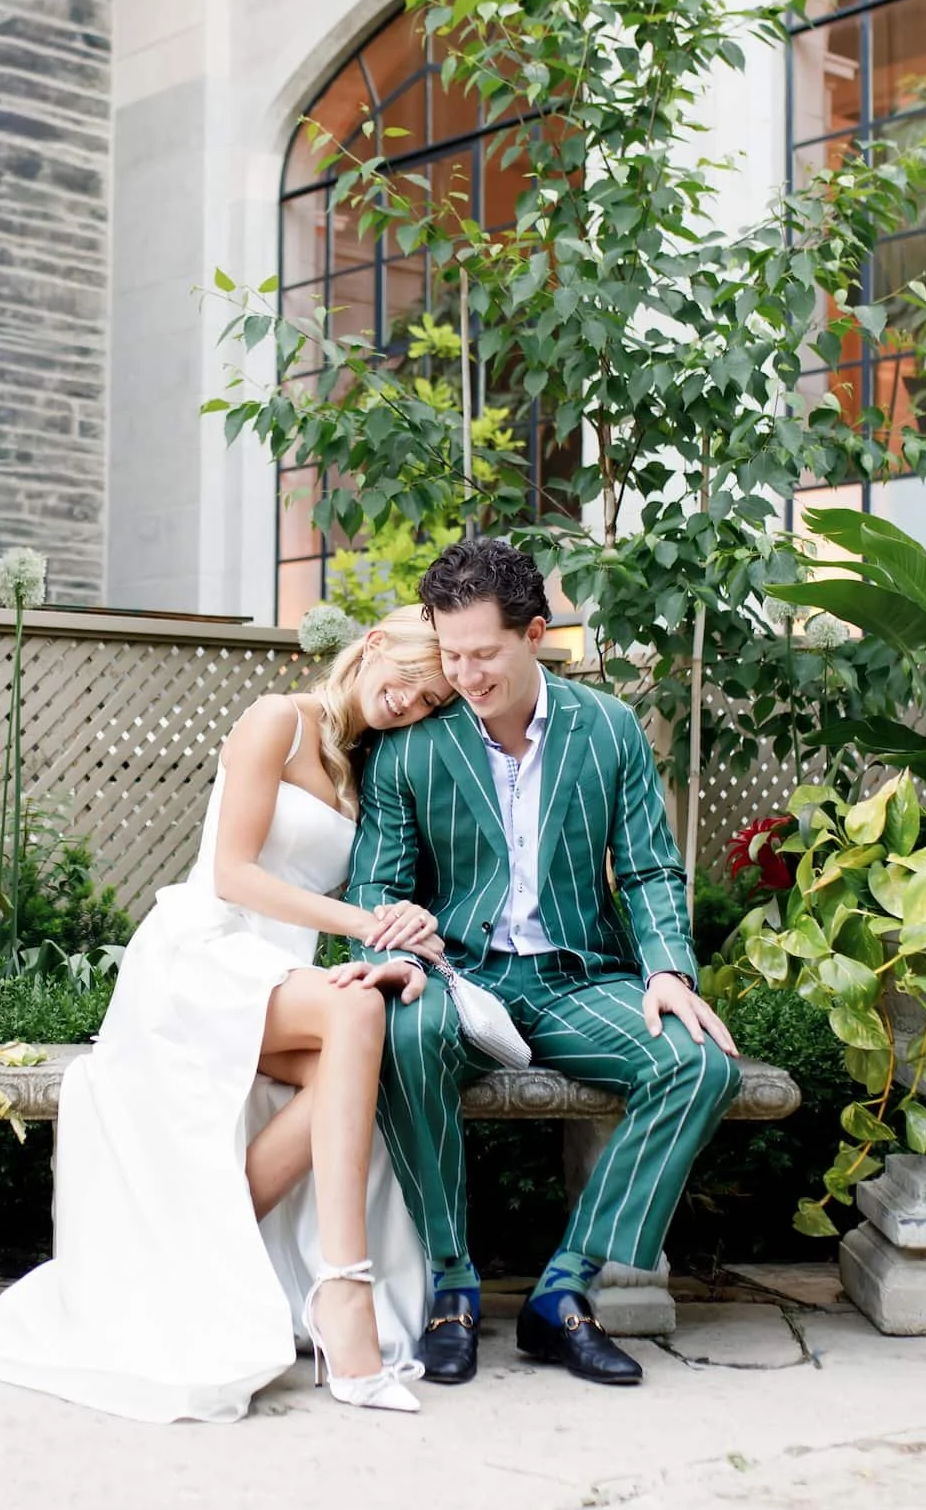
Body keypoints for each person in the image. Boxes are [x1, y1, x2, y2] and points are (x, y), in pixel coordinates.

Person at [0, 609, 457, 1423]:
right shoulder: (277, 718)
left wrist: (406, 933)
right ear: (373, 646)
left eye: (433, 699)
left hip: (278, 974)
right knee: (353, 1020)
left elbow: (371, 883)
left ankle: (203, 1247)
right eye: (411, 679)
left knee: (362, 1029)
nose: (412, 702)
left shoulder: (370, 763)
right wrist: (362, 926)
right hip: (204, 953)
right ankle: (344, 1295)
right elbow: (232, 874)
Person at [348, 539, 742, 1388]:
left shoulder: (608, 728)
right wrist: (386, 955)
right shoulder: (411, 744)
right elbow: (376, 879)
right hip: (455, 977)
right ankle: (452, 1284)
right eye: (451, 653)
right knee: (403, 1033)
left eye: (484, 653)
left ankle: (564, 1289)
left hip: (578, 979)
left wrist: (668, 969)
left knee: (698, 1062)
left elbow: (647, 867)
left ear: (536, 634)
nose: (465, 673)